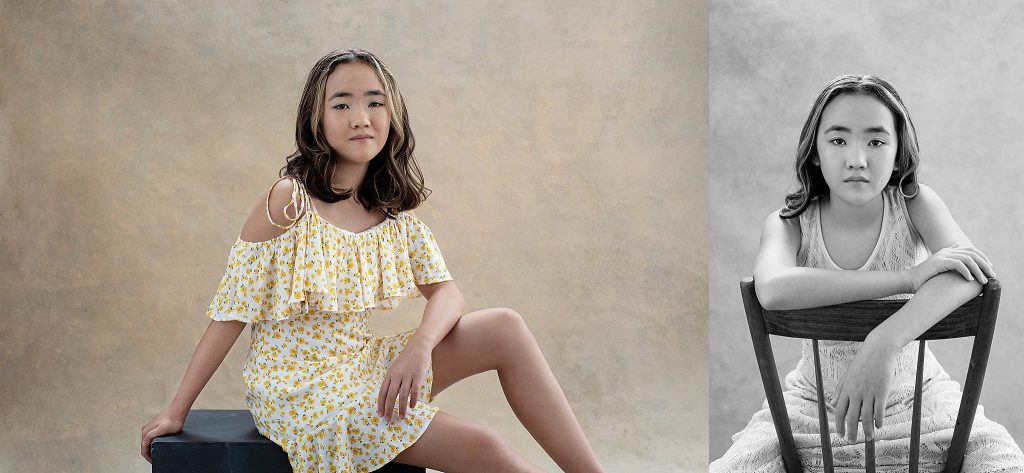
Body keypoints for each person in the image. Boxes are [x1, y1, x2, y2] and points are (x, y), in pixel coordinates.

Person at [140, 49, 605, 473]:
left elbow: (447, 291)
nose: (360, 117)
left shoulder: (392, 214)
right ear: (316, 119)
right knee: (485, 446)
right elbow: (231, 312)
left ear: (392, 114)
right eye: (341, 104)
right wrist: (177, 409)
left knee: (505, 325)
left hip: (360, 365)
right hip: (300, 390)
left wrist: (420, 346)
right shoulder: (289, 201)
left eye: (374, 102)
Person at [712, 75, 1024, 472]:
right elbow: (771, 289)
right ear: (815, 153)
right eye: (838, 140)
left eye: (876, 141)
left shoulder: (914, 204)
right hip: (812, 410)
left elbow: (971, 272)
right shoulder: (789, 222)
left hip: (921, 403)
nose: (857, 159)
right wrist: (909, 280)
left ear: (898, 153)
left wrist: (883, 342)